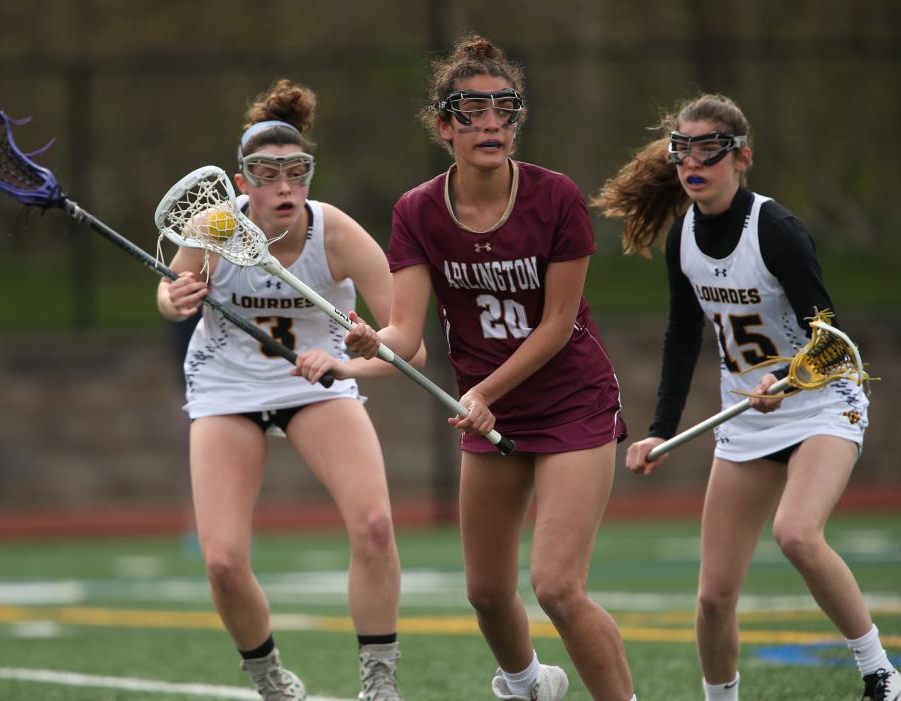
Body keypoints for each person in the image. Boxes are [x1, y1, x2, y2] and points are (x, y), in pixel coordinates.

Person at [343, 35, 637, 701]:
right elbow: (405, 330)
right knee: (485, 591)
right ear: (443, 126)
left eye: (504, 109)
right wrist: (370, 342)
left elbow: (558, 325)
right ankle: (531, 685)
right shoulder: (416, 211)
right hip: (490, 408)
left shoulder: (556, 198)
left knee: (558, 585)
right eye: (470, 112)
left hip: (572, 400)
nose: (490, 124)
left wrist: (483, 389)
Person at [592, 93, 898, 701]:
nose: (693, 161)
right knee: (712, 595)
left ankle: (881, 674)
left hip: (821, 402)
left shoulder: (777, 230)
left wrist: (785, 381)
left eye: (709, 148)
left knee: (797, 534)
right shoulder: (684, 238)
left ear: (741, 157)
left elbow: (829, 337)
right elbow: (683, 337)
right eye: (683, 149)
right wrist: (659, 429)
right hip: (748, 420)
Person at [157, 78, 421, 701]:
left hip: (319, 386)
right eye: (266, 173)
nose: (284, 187)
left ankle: (379, 683)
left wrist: (351, 360)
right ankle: (270, 678)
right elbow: (169, 294)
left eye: (296, 171)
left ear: (309, 174)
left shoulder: (338, 235)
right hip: (227, 388)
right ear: (242, 180)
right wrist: (175, 299)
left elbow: (407, 346)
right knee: (222, 560)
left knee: (377, 525)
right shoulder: (214, 226)